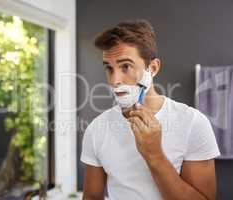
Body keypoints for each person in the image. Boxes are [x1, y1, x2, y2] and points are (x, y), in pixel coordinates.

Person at [80, 19, 220, 200]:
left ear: (152, 68)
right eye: (109, 68)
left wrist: (154, 154)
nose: (114, 80)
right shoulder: (96, 129)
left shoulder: (193, 123)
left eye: (126, 66)